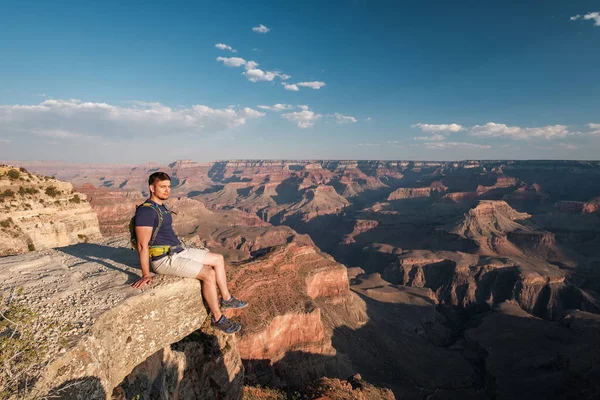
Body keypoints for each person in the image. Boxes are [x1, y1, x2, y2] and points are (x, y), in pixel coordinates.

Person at [131, 171, 247, 334]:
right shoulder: (146, 211)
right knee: (208, 274)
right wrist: (145, 274)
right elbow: (143, 245)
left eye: (169, 187)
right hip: (163, 259)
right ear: (151, 188)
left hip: (178, 251)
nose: (167, 190)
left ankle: (227, 299)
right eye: (162, 187)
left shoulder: (161, 207)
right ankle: (217, 318)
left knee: (218, 259)